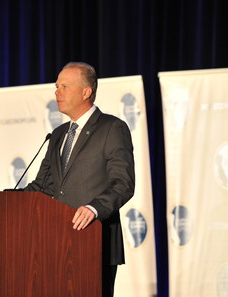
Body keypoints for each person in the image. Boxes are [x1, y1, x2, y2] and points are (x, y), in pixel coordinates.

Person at [24, 62, 135, 297]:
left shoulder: (112, 128)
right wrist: (2, 201)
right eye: (56, 86)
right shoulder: (57, 135)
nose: (57, 92)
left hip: (95, 238)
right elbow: (42, 187)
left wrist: (95, 208)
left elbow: (123, 183)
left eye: (65, 86)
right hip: (55, 242)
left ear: (86, 92)